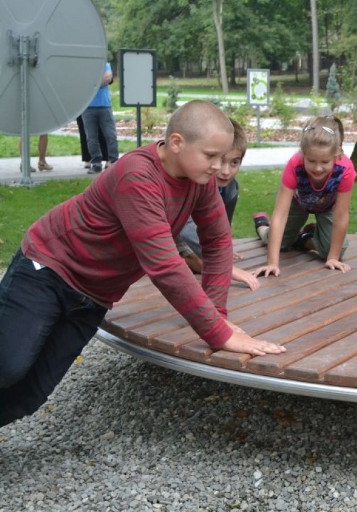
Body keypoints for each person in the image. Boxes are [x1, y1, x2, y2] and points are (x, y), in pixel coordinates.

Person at [0, 100, 285, 427]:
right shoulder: (137, 176)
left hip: (93, 295)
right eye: (211, 156)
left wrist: (217, 315)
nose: (219, 168)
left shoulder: (199, 182)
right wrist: (217, 333)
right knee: (8, 365)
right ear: (177, 143)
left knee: (29, 396)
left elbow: (219, 242)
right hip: (48, 268)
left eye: (224, 158)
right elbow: (165, 266)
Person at [253, 115, 356, 275]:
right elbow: (280, 215)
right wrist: (272, 263)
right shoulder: (294, 165)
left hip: (328, 205)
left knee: (337, 250)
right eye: (311, 161)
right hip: (298, 203)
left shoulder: (345, 170)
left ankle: (305, 237)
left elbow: (341, 216)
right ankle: (262, 224)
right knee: (278, 243)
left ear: (336, 155)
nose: (318, 168)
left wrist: (333, 257)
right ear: (303, 154)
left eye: (325, 162)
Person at [176, 118, 259, 291]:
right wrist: (224, 263)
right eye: (221, 161)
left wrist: (224, 247)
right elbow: (184, 226)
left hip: (193, 239)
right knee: (198, 265)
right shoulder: (195, 181)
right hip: (173, 233)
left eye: (234, 163)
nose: (226, 171)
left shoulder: (231, 188)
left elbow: (223, 222)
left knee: (202, 263)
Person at [82, 62, 120, 174]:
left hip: (105, 106)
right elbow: (81, 82)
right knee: (91, 138)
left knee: (110, 136)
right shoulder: (83, 66)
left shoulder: (104, 64)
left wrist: (91, 82)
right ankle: (96, 164)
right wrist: (98, 80)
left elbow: (108, 78)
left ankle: (114, 161)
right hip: (87, 107)